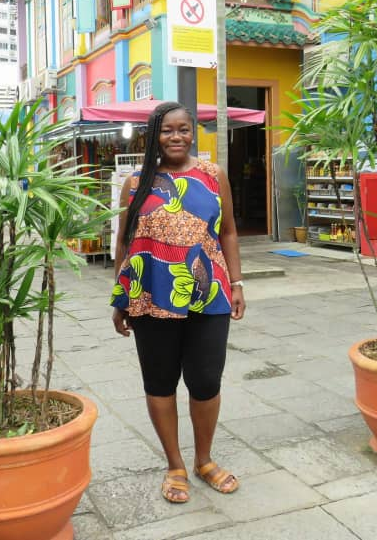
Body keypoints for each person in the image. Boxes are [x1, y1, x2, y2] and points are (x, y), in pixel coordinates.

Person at [111, 101, 246, 504]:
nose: (176, 137)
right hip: (150, 294)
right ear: (154, 135)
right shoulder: (135, 182)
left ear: (193, 132)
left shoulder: (212, 175)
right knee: (160, 381)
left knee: (206, 381)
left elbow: (230, 232)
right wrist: (120, 297)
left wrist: (237, 282)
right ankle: (175, 465)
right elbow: (123, 241)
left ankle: (204, 459)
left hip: (210, 293)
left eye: (184, 129)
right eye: (167, 130)